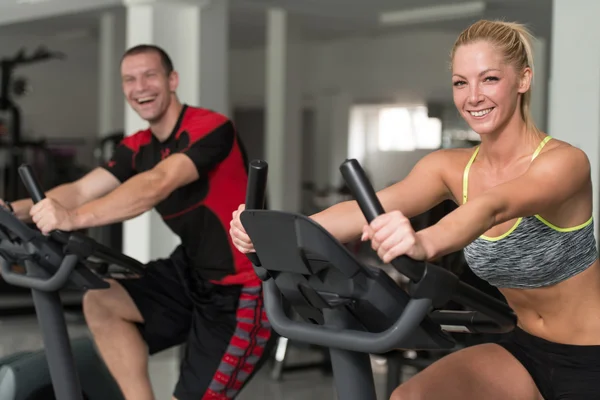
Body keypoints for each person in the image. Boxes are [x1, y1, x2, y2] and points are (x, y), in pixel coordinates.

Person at [229, 19, 600, 400]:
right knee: (410, 397)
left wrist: (424, 243)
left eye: (489, 79)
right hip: (525, 349)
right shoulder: (449, 167)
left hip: (593, 357)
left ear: (523, 80)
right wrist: (271, 232)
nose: (473, 96)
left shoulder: (564, 163)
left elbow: (492, 207)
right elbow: (365, 210)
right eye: (460, 82)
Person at [4, 44, 271, 400]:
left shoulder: (210, 127)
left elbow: (156, 183)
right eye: (130, 79)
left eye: (150, 75)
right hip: (190, 272)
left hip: (242, 289)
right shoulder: (138, 146)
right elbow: (81, 189)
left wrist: (74, 218)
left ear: (172, 80)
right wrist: (11, 210)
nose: (140, 86)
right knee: (102, 300)